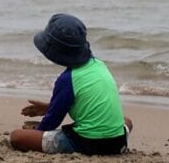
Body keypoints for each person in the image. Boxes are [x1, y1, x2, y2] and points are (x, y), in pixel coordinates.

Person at [9, 13, 133, 155]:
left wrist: (37, 131)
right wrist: (50, 107)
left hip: (88, 144)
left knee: (17, 137)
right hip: (118, 142)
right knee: (126, 121)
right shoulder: (99, 64)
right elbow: (83, 100)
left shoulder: (67, 79)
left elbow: (52, 122)